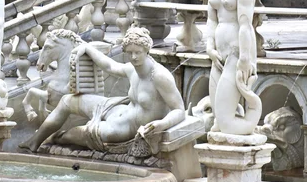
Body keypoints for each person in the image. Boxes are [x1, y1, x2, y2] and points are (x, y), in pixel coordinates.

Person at [20, 27, 185, 152]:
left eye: (138, 53)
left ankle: (54, 138)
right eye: (130, 53)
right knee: (67, 101)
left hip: (124, 129)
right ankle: (35, 140)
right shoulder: (131, 69)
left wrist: (162, 124)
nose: (134, 57)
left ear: (147, 50)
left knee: (83, 133)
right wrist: (87, 48)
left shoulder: (159, 76)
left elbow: (179, 110)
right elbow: (110, 65)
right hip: (117, 110)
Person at [206, 0, 262, 135]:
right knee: (216, 119)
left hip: (237, 53)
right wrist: (209, 46)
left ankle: (247, 128)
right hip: (218, 55)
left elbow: (246, 25)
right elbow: (211, 20)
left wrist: (245, 59)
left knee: (225, 123)